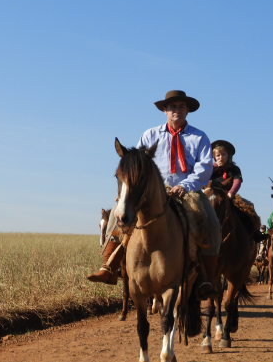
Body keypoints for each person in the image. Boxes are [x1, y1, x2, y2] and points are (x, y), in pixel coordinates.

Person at [87, 90, 222, 296]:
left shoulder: (199, 137)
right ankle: (108, 267)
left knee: (211, 223)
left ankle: (206, 278)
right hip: (151, 192)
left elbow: (204, 168)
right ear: (165, 111)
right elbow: (136, 165)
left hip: (187, 191)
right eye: (173, 107)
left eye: (181, 107)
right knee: (116, 214)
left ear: (187, 111)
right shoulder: (150, 135)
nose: (177, 110)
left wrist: (185, 185)